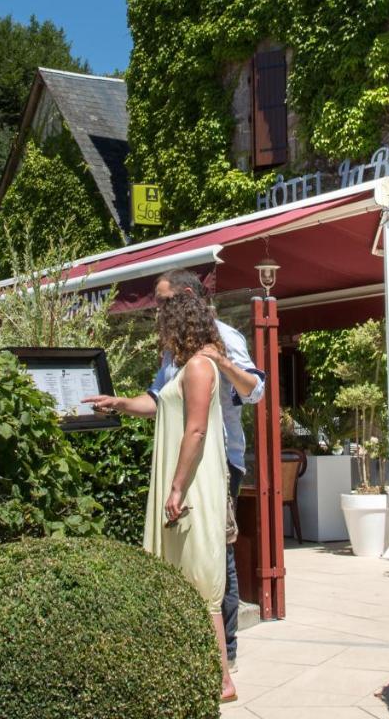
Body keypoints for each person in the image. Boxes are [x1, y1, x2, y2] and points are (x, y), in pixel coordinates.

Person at [86, 269, 265, 671]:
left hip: (218, 463)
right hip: (184, 461)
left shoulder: (221, 340)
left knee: (217, 555)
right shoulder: (174, 349)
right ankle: (197, 650)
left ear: (183, 296)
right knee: (190, 554)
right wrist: (119, 403)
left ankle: (226, 656)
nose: (157, 312)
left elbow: (254, 391)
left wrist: (221, 362)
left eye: (163, 302)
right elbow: (160, 398)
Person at [142, 290, 236, 703]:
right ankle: (200, 671)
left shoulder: (199, 367)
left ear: (176, 326)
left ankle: (222, 680)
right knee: (183, 574)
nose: (160, 334)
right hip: (186, 482)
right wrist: (116, 404)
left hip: (195, 485)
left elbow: (195, 430)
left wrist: (177, 486)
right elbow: (161, 407)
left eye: (164, 326)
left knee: (201, 578)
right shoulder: (186, 369)